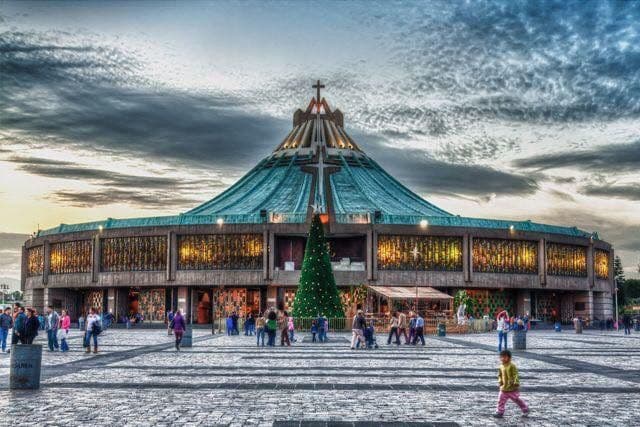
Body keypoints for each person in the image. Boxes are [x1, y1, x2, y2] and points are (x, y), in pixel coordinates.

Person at [493, 350, 529, 418]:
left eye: (505, 357)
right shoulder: (501, 366)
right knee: (500, 400)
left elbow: (515, 375)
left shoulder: (512, 366)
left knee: (517, 400)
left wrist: (516, 382)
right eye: (501, 357)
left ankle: (525, 409)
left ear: (509, 358)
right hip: (504, 388)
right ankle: (500, 412)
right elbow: (499, 375)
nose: (503, 358)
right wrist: (500, 381)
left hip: (512, 388)